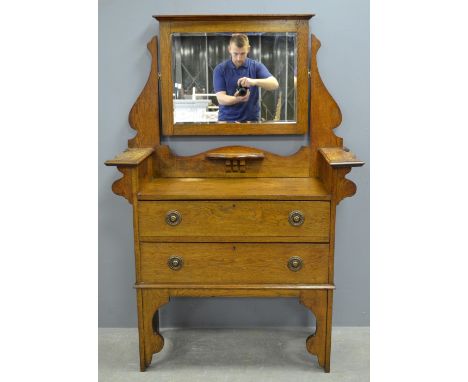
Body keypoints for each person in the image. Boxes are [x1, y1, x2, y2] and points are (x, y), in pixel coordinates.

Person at [213, 34, 279, 122]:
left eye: (243, 53)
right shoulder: (220, 69)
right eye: (235, 53)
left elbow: (274, 84)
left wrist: (253, 81)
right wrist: (238, 99)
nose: (239, 58)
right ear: (229, 49)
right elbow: (221, 99)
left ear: (248, 49)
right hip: (227, 121)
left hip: (251, 121)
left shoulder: (255, 66)